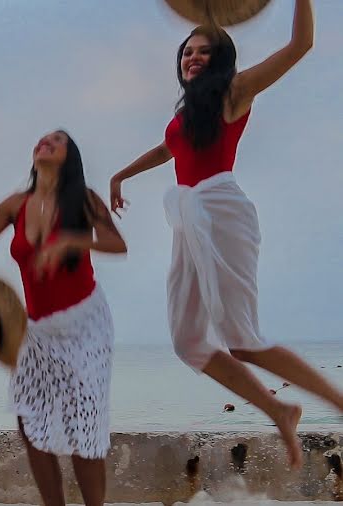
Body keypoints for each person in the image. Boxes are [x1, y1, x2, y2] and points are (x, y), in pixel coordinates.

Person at [110, 0, 342, 468]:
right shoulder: (185, 114)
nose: (192, 58)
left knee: (242, 339)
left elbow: (301, 45)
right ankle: (279, 408)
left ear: (223, 60)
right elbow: (166, 147)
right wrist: (120, 175)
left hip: (220, 210)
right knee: (188, 341)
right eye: (186, 52)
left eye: (203, 51)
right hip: (188, 214)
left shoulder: (235, 91)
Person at [0, 130, 126, 506]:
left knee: (84, 426)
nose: (46, 141)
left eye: (57, 140)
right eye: (42, 139)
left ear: (70, 156)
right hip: (37, 331)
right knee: (28, 419)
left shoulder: (83, 200)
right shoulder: (15, 204)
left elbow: (117, 244)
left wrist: (73, 241)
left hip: (86, 322)